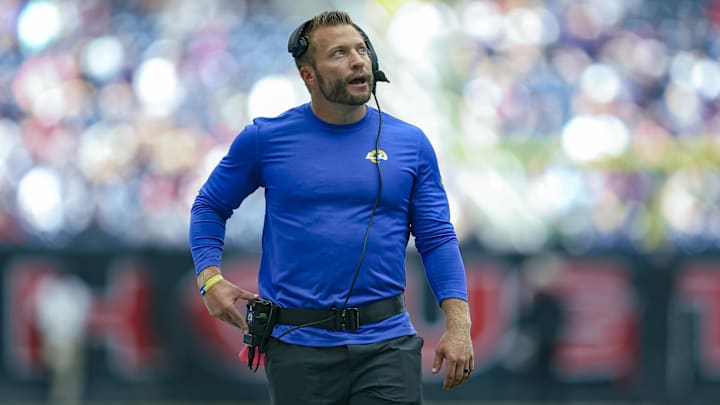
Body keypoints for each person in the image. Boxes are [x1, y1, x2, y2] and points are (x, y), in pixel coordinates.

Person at [189, 10, 473, 405]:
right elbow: (208, 206)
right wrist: (209, 278)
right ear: (309, 75)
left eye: (361, 49)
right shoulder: (264, 139)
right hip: (296, 347)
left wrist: (459, 324)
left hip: (387, 343)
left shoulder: (411, 143)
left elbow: (437, 238)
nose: (358, 60)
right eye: (339, 53)